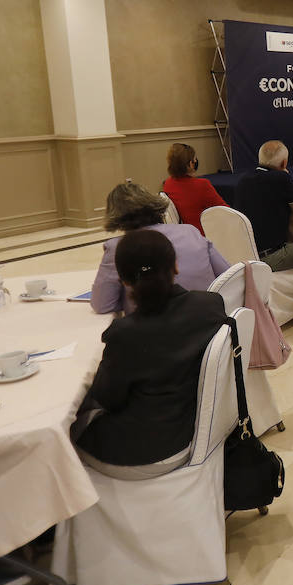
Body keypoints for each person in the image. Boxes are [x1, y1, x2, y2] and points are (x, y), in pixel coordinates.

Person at [76, 228, 230, 479]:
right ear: (176, 266)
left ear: (124, 281)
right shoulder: (210, 305)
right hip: (202, 432)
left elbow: (107, 398)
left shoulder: (125, 334)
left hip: (146, 453)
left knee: (68, 425)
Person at [91, 181, 228, 314]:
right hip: (210, 322)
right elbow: (228, 275)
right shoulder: (189, 231)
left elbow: (102, 304)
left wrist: (127, 300)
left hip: (154, 328)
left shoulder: (117, 247)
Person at [233, 140, 293, 277]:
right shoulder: (281, 178)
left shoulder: (243, 180)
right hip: (270, 256)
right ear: (284, 163)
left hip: (244, 254)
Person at [161, 142, 227, 233]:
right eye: (194, 158)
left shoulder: (167, 184)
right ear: (191, 164)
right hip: (204, 235)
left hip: (184, 234)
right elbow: (225, 211)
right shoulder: (202, 185)